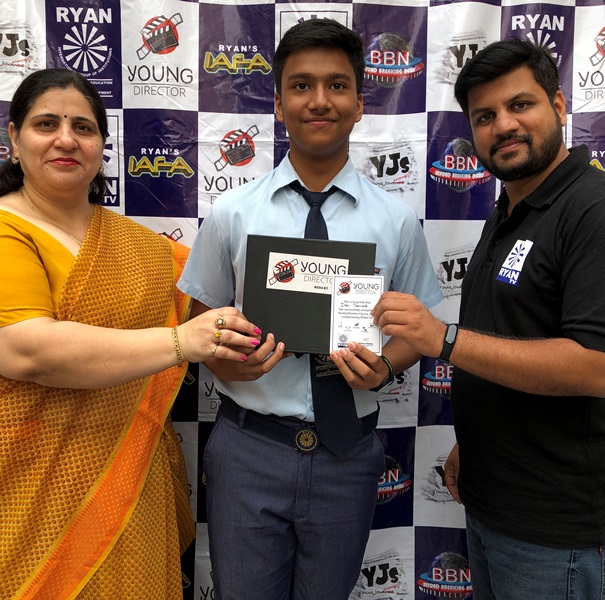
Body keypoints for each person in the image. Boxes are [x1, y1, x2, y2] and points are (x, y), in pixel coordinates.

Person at [0, 68, 262, 600]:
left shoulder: (142, 248)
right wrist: (180, 343)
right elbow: (28, 352)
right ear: (14, 139)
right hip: (3, 496)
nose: (66, 139)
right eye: (46, 124)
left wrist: (315, 313)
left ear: (101, 146)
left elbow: (220, 304)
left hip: (120, 489)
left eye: (83, 127)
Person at [372, 38, 605, 599]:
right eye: (484, 116)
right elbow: (512, 335)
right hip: (495, 505)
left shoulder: (603, 211)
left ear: (559, 105)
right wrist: (477, 444)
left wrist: (442, 339)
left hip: (559, 531)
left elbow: (599, 366)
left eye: (520, 105)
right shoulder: (511, 209)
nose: (503, 125)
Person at [177, 18, 442, 600]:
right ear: (278, 104)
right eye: (301, 86)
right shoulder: (232, 213)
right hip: (248, 449)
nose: (319, 100)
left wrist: (386, 366)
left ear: (360, 103)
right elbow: (197, 321)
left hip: (349, 452)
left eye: (337, 85)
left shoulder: (396, 221)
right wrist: (225, 361)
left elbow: (416, 331)